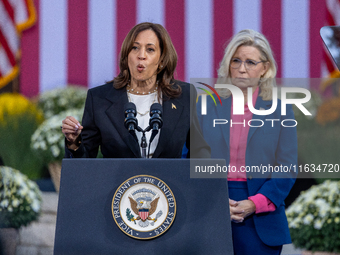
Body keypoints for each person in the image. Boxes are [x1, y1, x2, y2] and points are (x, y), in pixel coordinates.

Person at [197, 29, 297, 254]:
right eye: (236, 61)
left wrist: (256, 203)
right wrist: (217, 199)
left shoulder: (281, 110)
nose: (242, 68)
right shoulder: (205, 106)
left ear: (265, 68)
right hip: (211, 208)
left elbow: (288, 167)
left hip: (262, 214)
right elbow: (190, 160)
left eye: (250, 62)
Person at [61, 22, 210, 159]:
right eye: (135, 48)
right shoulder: (99, 99)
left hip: (169, 186)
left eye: (150, 49)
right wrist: (74, 142)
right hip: (118, 186)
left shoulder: (184, 95)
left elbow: (198, 151)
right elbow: (84, 163)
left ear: (162, 61)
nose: (141, 55)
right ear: (127, 56)